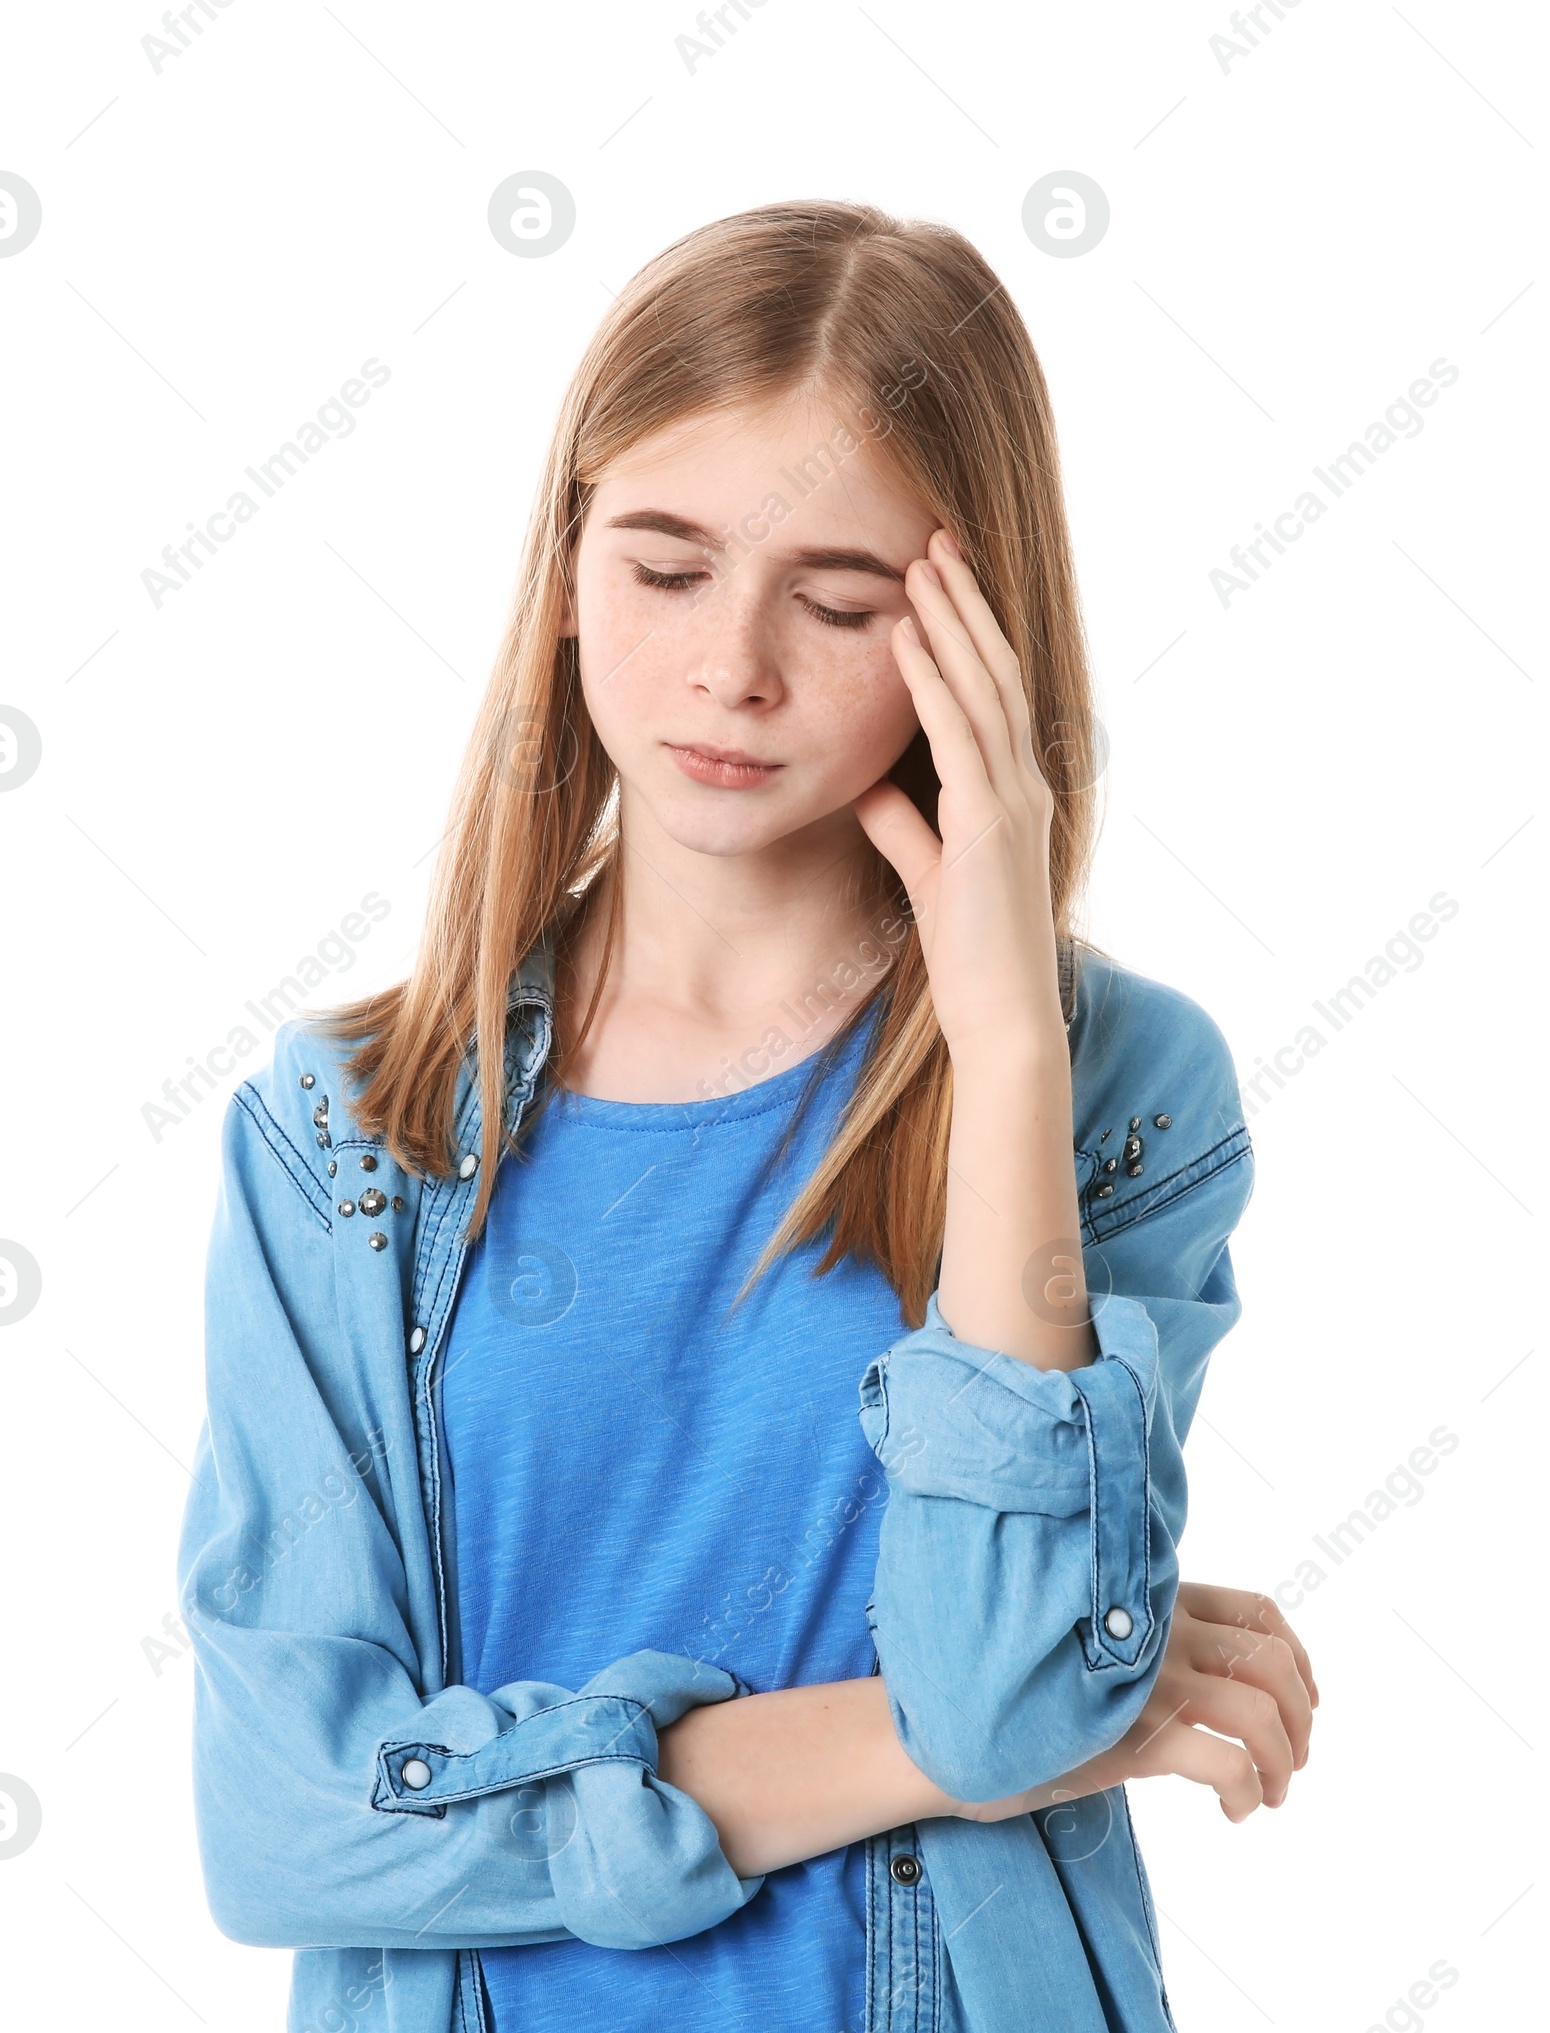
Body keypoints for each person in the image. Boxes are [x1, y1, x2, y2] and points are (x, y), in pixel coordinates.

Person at [178, 198, 1317, 2033]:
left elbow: (1011, 1696)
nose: (733, 667)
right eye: (665, 563)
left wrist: (1007, 1042)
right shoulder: (345, 1141)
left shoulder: (1118, 1093)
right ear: (563, 569)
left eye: (843, 598)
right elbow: (291, 1820)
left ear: (977, 633)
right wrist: (941, 1732)